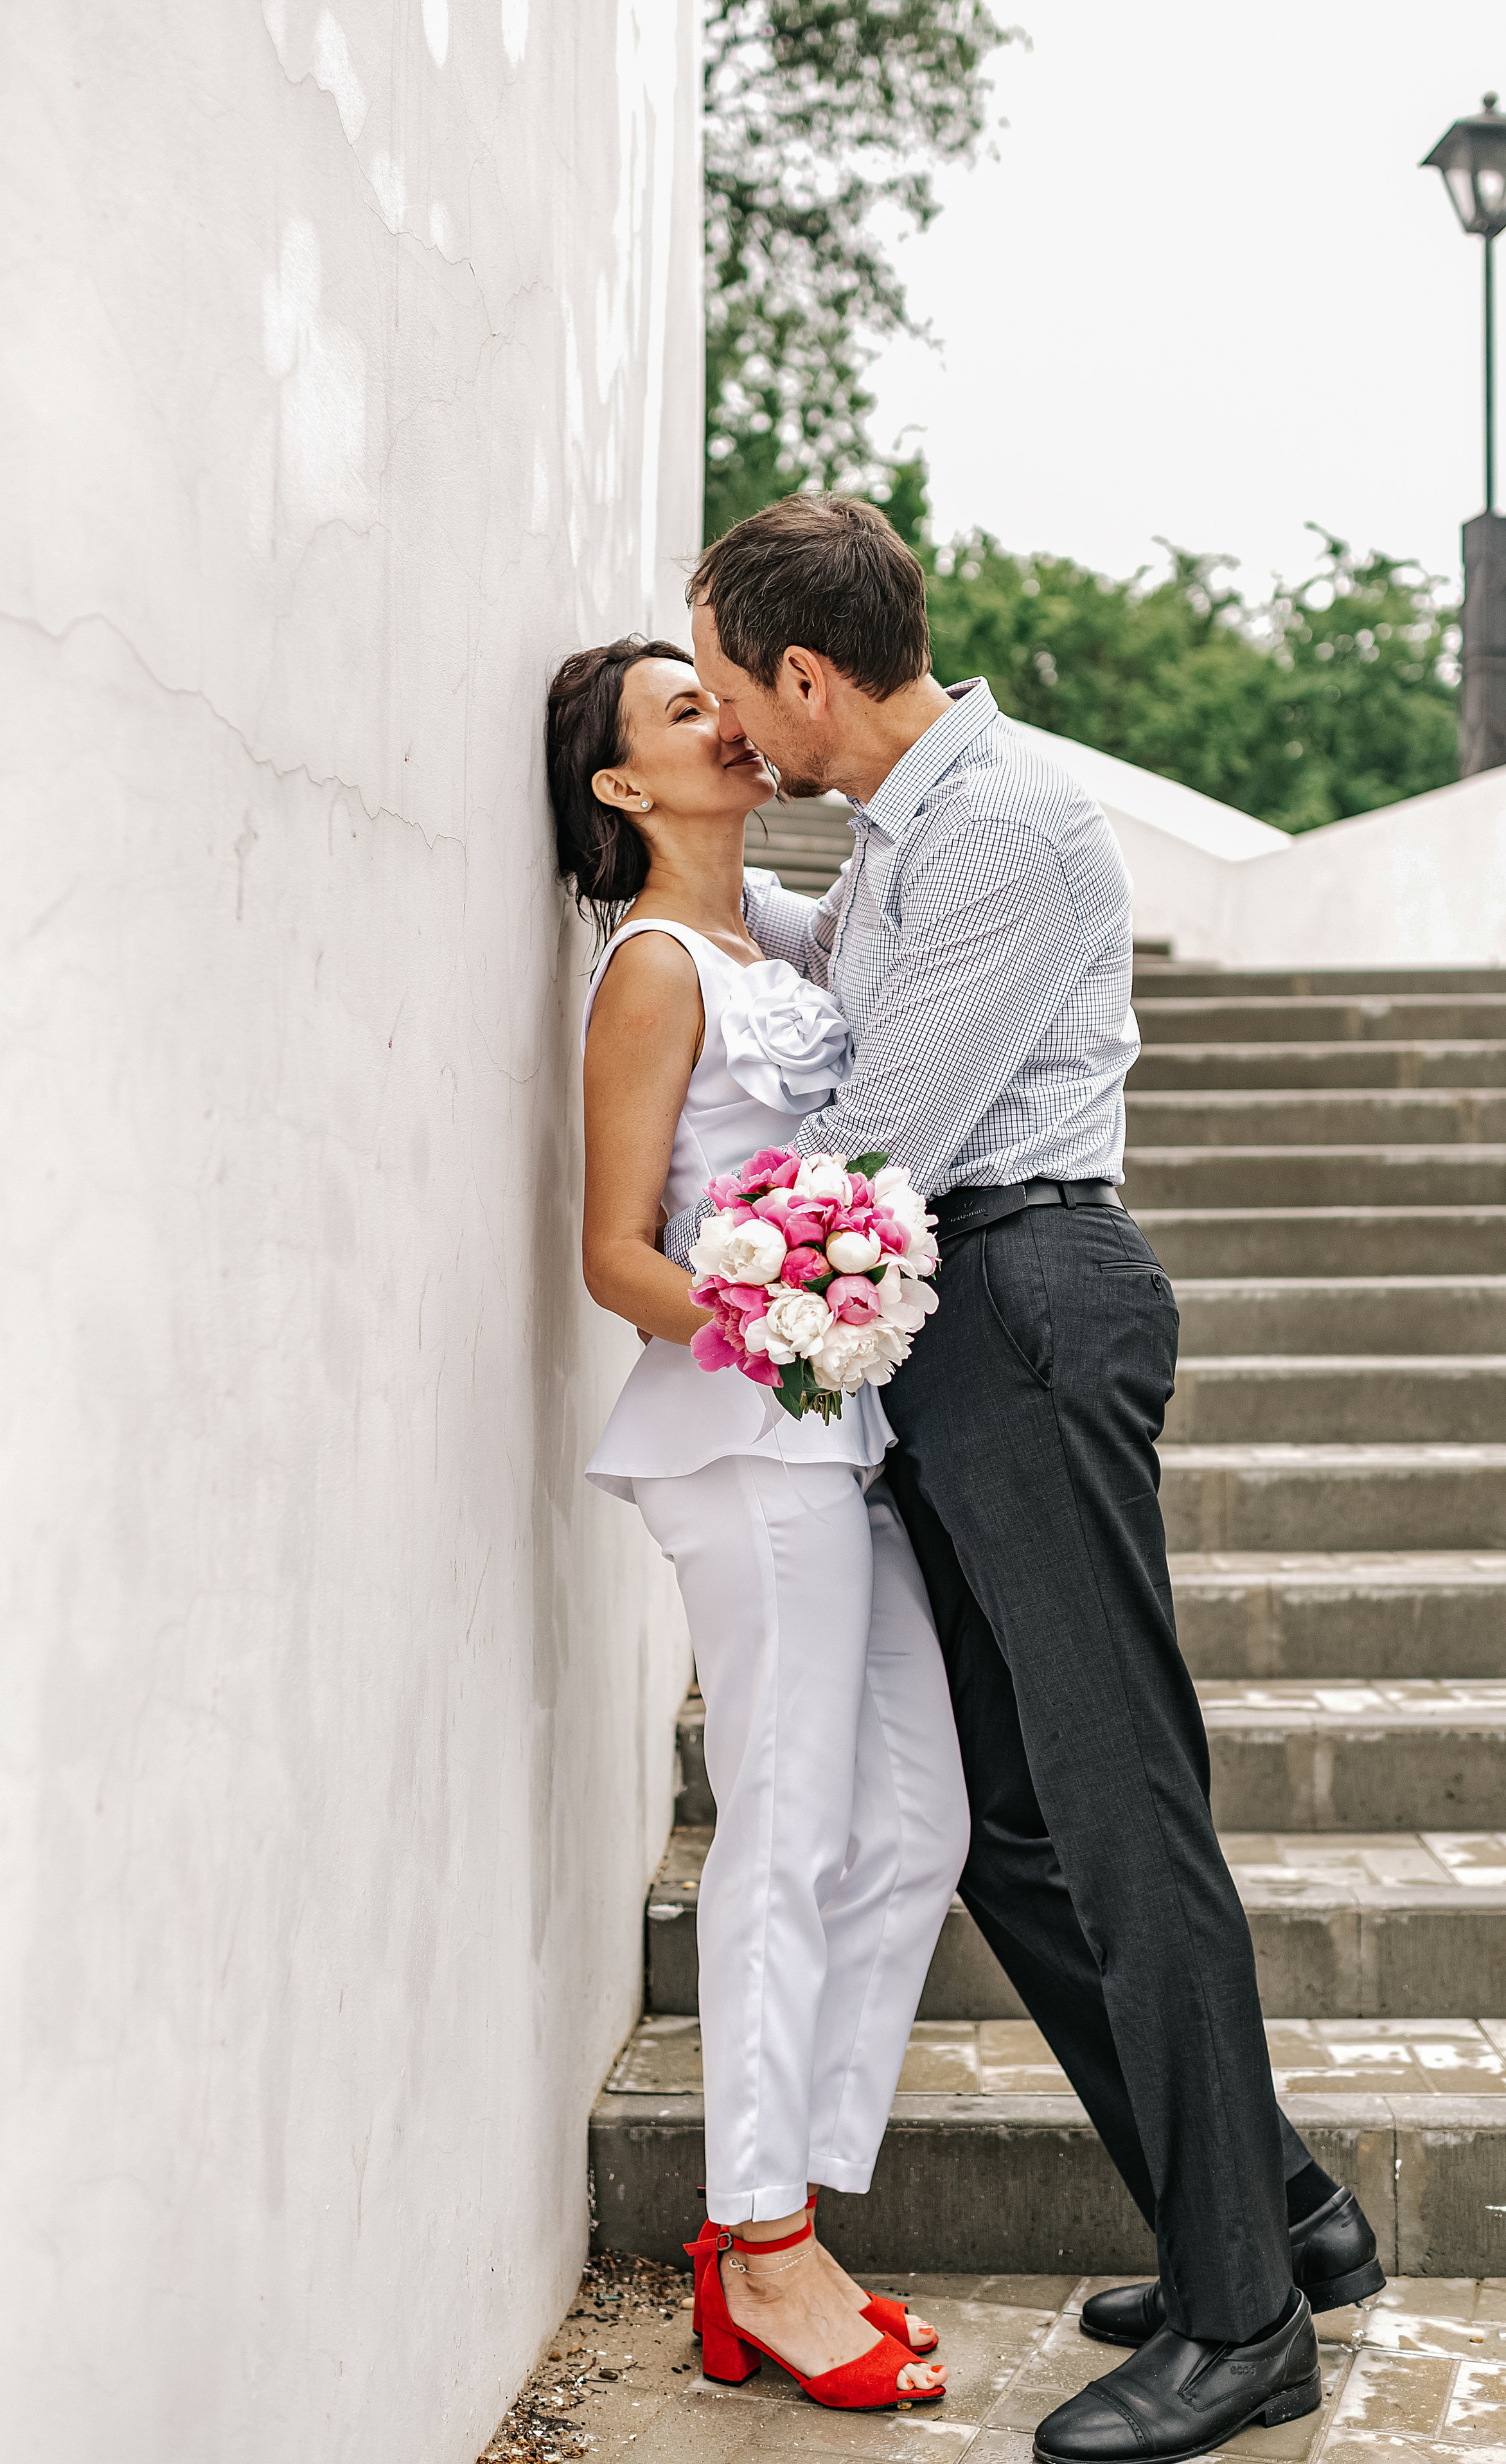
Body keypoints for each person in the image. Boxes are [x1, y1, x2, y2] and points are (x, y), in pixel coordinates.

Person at [668, 497, 1385, 2464]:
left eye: (739, 691)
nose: (733, 724)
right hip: (959, 1321)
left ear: (811, 673)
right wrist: (689, 845)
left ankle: (1246, 2322)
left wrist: (689, 1272)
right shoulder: (906, 827)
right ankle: (1281, 2208)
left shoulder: (1008, 834)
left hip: (1032, 1297)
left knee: (1122, 1804)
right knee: (1010, 1821)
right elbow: (803, 965)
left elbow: (873, 1118)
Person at [547, 635, 970, 2415]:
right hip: (744, 1431)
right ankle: (763, 2243)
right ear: (624, 788)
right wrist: (777, 1313)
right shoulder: (651, 968)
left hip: (837, 1427)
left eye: (717, 688)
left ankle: (783, 2210)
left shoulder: (782, 930)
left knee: (921, 1816)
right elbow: (614, 1252)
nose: (726, 715)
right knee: (783, 1829)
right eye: (679, 709)